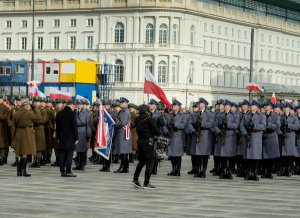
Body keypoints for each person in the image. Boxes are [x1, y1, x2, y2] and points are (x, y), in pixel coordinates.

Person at [131, 104, 161, 189]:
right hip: (148, 143)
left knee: (141, 162)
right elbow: (157, 131)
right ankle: (146, 182)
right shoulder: (150, 119)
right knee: (150, 162)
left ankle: (135, 179)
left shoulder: (137, 119)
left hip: (140, 143)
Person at [12, 99, 41, 177]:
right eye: (29, 106)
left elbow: (13, 125)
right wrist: (35, 108)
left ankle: (18, 172)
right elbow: (39, 117)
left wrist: (13, 136)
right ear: (27, 106)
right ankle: (23, 171)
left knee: (18, 153)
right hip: (27, 133)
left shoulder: (16, 113)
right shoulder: (29, 113)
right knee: (24, 153)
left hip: (18, 133)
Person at [240, 100, 266, 181]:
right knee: (248, 156)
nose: (251, 107)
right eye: (251, 106)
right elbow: (241, 125)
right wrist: (244, 133)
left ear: (257, 107)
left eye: (253, 106)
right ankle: (249, 172)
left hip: (256, 136)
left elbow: (264, 126)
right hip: (248, 136)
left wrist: (255, 126)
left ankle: (254, 173)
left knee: (256, 156)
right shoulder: (246, 115)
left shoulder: (261, 115)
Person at [56, 101, 78, 177]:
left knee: (62, 154)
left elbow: (57, 128)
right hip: (70, 137)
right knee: (69, 154)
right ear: (71, 106)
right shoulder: (72, 114)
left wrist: (58, 137)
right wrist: (76, 138)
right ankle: (68, 171)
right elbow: (74, 127)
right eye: (74, 107)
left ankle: (62, 171)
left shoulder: (59, 113)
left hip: (61, 137)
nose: (74, 109)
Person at [167, 99, 187, 177]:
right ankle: (173, 169)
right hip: (171, 136)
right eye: (173, 105)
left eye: (174, 105)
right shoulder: (169, 115)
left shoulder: (183, 115)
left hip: (178, 136)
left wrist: (175, 125)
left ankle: (178, 170)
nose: (173, 106)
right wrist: (166, 131)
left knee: (177, 155)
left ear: (178, 107)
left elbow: (184, 125)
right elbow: (165, 125)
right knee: (171, 154)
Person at [262, 100, 280, 179]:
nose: (265, 106)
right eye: (265, 105)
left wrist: (267, 124)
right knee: (264, 156)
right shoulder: (262, 115)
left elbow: (277, 126)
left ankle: (269, 172)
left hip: (272, 136)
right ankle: (265, 171)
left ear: (271, 107)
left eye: (267, 105)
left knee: (271, 156)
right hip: (265, 136)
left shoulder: (276, 116)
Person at [114, 97, 132, 173]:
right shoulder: (122, 111)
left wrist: (115, 124)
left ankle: (123, 167)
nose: (120, 103)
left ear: (126, 103)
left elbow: (123, 123)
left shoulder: (125, 112)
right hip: (122, 133)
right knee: (123, 150)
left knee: (123, 151)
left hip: (124, 133)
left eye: (122, 102)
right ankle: (125, 167)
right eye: (120, 102)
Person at [73, 99, 91, 171]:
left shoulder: (86, 113)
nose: (79, 105)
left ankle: (82, 164)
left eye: (80, 104)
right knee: (77, 150)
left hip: (83, 131)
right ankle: (78, 164)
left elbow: (88, 125)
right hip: (76, 131)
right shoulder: (74, 112)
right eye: (77, 104)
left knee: (82, 150)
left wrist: (88, 134)